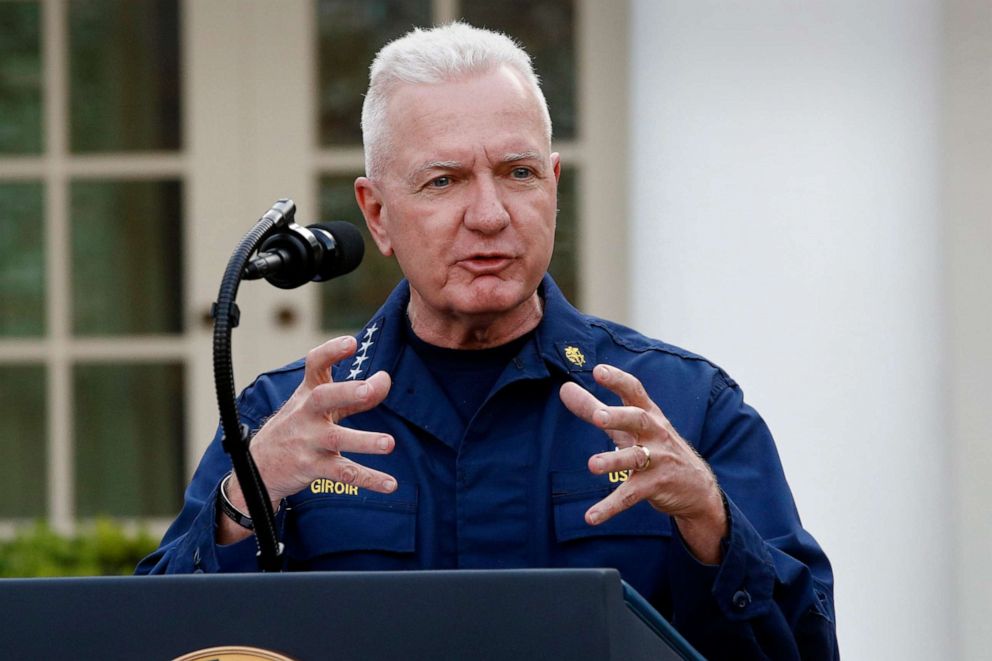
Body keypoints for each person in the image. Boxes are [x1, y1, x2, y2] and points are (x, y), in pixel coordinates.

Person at [138, 22, 838, 659]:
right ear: (377, 214)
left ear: (553, 187)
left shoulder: (686, 408)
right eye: (444, 181)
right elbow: (154, 638)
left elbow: (805, 649)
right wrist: (242, 500)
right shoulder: (291, 417)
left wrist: (711, 523)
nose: (489, 214)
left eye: (518, 173)